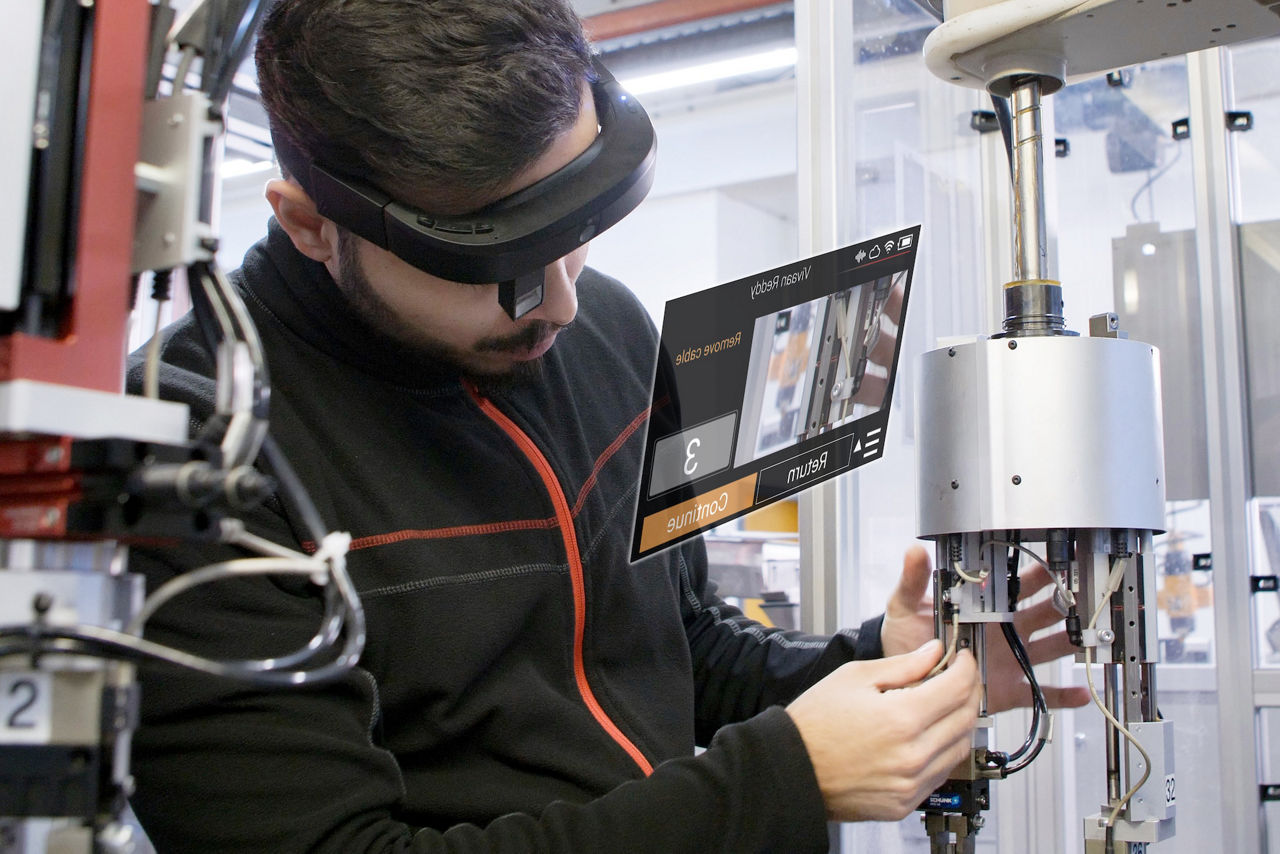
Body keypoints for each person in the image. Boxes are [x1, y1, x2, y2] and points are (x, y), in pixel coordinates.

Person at [126, 1, 1086, 851]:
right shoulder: (192, 449)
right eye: (504, 270)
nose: (560, 308)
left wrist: (877, 666)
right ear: (307, 222)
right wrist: (778, 784)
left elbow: (679, 650)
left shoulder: (609, 332)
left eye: (577, 239)